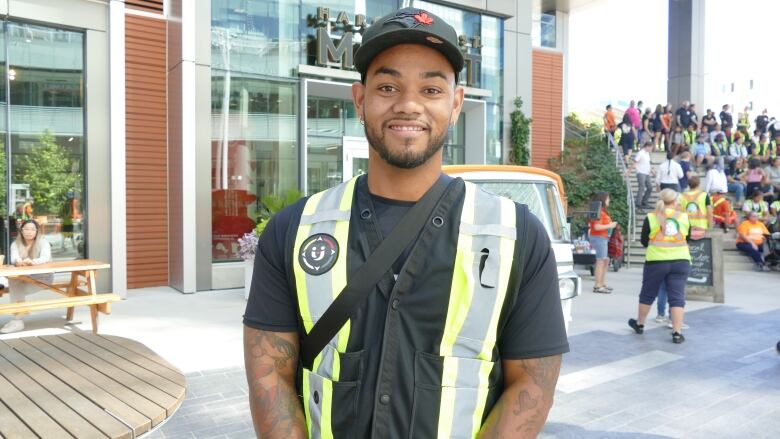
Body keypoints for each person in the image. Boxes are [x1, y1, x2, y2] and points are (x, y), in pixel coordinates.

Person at [242, 8, 569, 438]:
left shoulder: (516, 234)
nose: (408, 104)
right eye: (387, 86)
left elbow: (532, 383)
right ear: (360, 100)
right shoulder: (294, 230)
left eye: (431, 88)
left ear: (455, 104)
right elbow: (270, 377)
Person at [629, 189, 692, 344]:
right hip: (681, 260)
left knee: (648, 293)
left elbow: (644, 240)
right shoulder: (684, 217)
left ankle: (640, 324)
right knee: (677, 297)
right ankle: (677, 332)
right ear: (675, 200)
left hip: (656, 261)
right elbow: (687, 238)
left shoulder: (651, 217)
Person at [0, 220, 54, 334]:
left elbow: (45, 257)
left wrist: (33, 261)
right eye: (26, 229)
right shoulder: (15, 244)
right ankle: (17, 318)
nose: (29, 232)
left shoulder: (43, 242)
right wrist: (18, 261)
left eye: (32, 229)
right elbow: (14, 258)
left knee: (14, 285)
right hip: (25, 278)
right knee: (14, 282)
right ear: (21, 230)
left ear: (37, 231)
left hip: (43, 279)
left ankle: (17, 320)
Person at [589, 192, 618, 294]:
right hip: (599, 237)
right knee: (601, 261)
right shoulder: (599, 212)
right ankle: (598, 285)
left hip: (602, 237)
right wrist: (611, 225)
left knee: (604, 260)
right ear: (603, 200)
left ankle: (602, 283)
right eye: (608, 199)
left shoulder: (601, 211)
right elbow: (597, 227)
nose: (609, 201)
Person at [629, 142, 655, 209]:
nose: (651, 149)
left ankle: (644, 201)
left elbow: (648, 164)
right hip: (640, 172)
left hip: (647, 173)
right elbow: (635, 162)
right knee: (642, 187)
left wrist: (652, 171)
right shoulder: (640, 153)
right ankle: (638, 203)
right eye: (651, 148)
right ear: (647, 146)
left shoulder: (647, 154)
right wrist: (629, 171)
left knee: (650, 187)